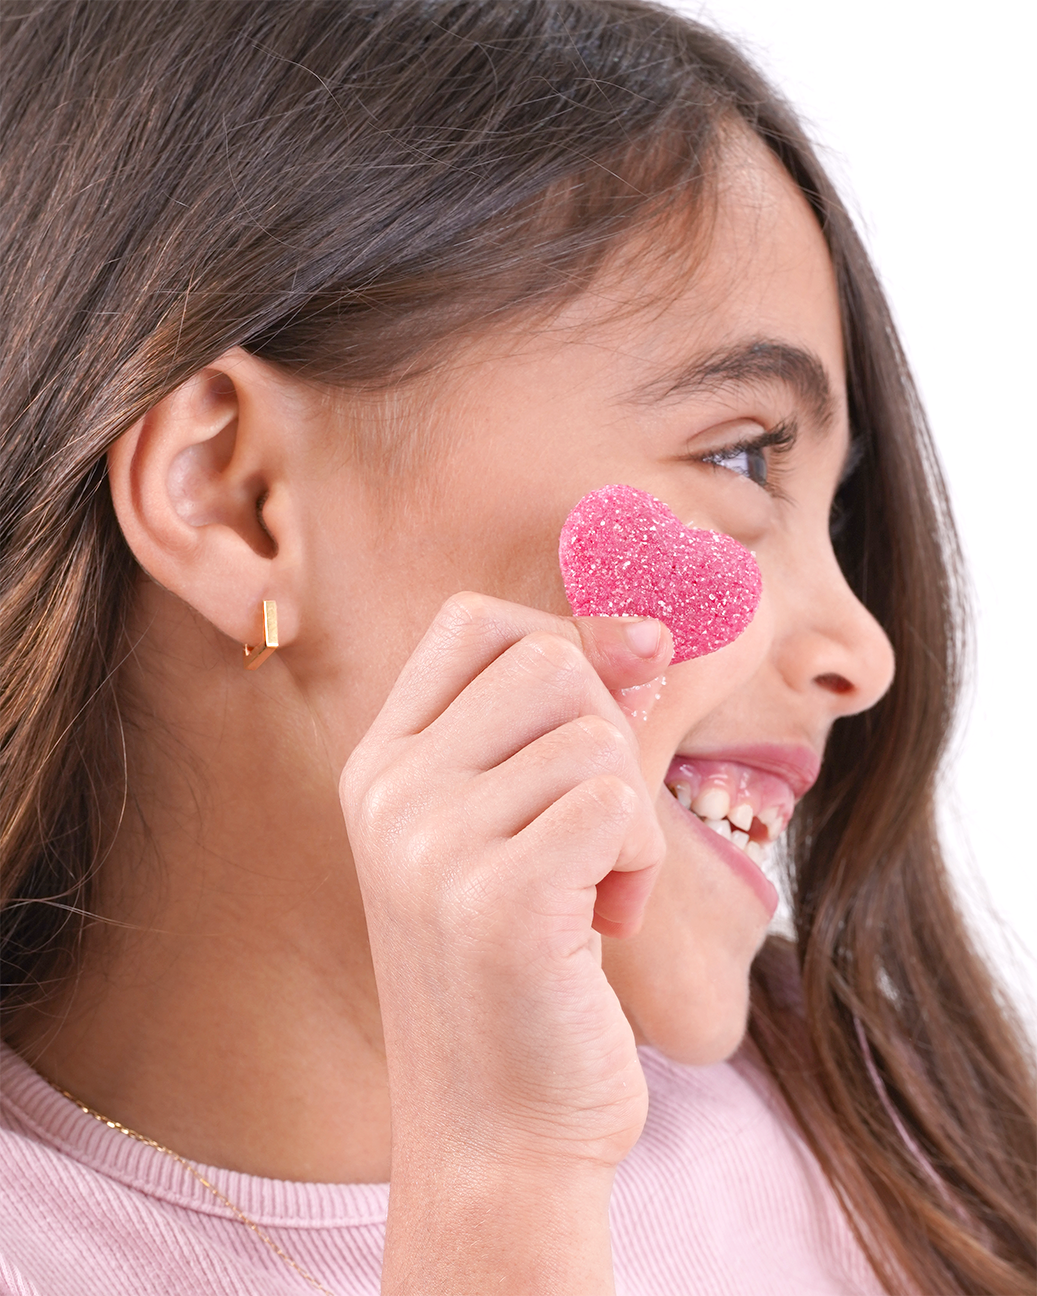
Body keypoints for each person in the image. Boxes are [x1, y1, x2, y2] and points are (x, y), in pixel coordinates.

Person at [0, 0, 1034, 1292]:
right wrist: (501, 1186)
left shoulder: (878, 1142)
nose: (864, 653)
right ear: (237, 494)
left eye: (835, 509)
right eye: (741, 452)